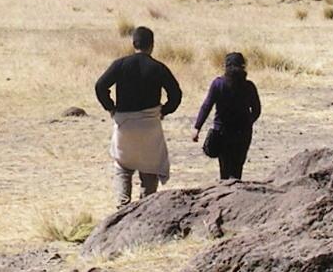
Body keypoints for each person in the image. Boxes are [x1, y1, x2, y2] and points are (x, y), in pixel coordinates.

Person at [94, 26, 183, 207]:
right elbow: (176, 94)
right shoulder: (158, 67)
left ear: (133, 43)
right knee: (149, 168)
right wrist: (164, 111)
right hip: (150, 125)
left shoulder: (120, 64)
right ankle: (146, 207)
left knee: (123, 167)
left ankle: (122, 205)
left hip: (124, 124)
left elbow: (100, 86)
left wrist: (111, 108)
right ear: (152, 45)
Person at [191, 51, 261, 181]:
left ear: (225, 67)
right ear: (243, 66)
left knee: (224, 168)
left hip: (222, 132)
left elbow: (207, 106)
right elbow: (257, 110)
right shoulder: (249, 86)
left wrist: (197, 128)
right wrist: (247, 123)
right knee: (237, 168)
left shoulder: (218, 84)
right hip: (243, 134)